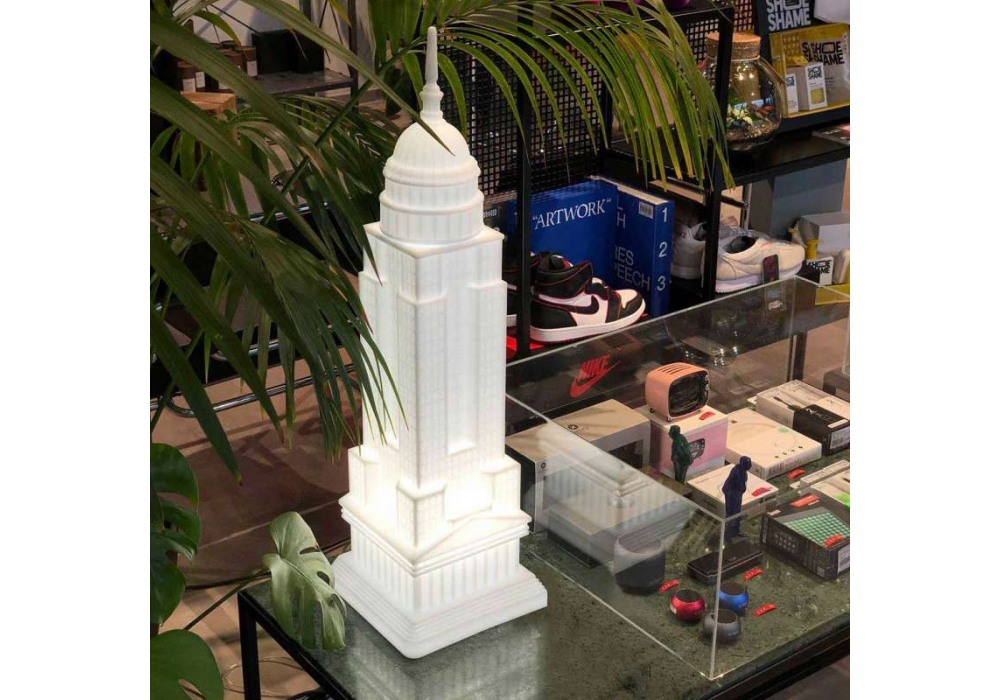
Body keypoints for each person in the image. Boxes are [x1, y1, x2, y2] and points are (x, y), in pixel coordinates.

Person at [721, 457, 752, 542]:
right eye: (748, 465)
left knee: (737, 513)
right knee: (730, 515)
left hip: (737, 494)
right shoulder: (736, 472)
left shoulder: (743, 471)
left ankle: (735, 531)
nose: (750, 466)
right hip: (731, 494)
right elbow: (738, 484)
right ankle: (727, 535)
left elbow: (742, 484)